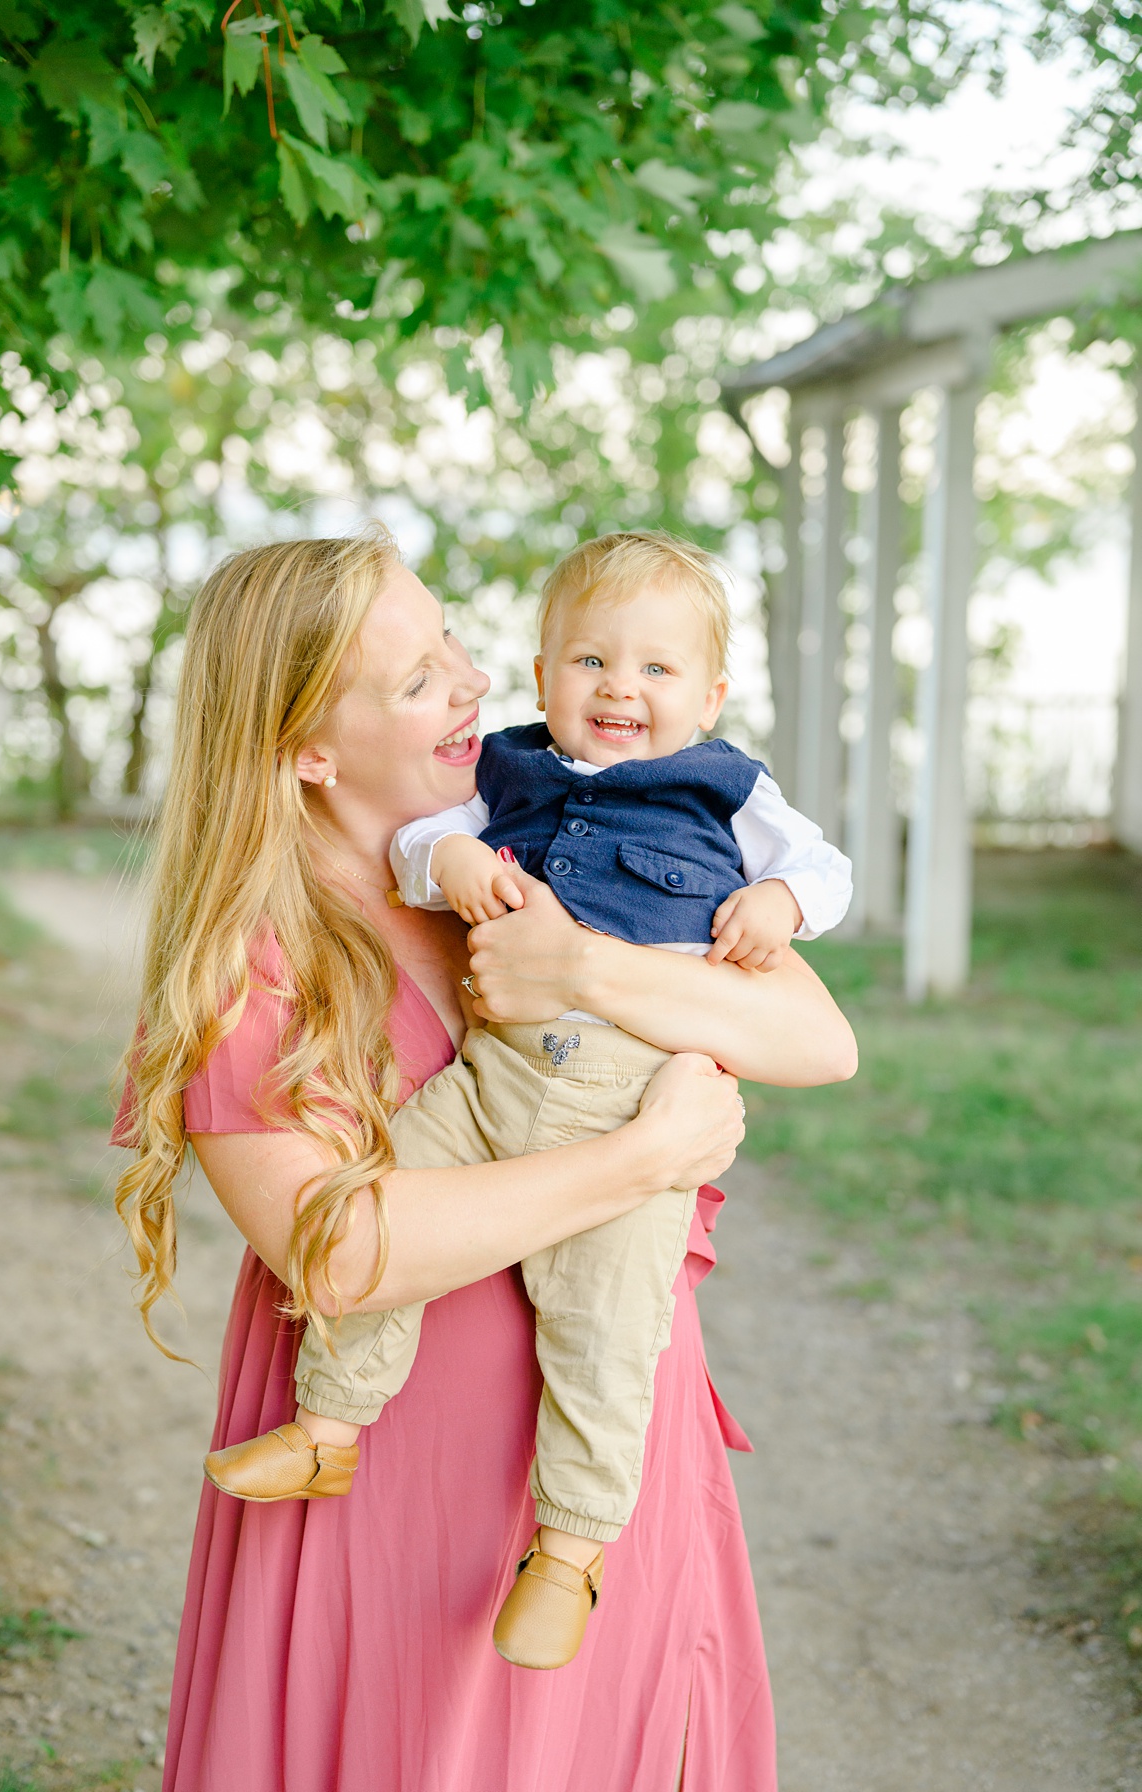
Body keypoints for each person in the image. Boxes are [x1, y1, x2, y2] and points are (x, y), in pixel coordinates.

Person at [113, 529, 857, 1790]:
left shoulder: (544, 844)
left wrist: (584, 969)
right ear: (305, 747)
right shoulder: (258, 957)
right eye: (414, 680)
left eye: (452, 641)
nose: (469, 684)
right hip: (399, 1472)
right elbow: (339, 1254)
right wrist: (640, 1158)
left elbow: (815, 1032)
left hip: (607, 1424)